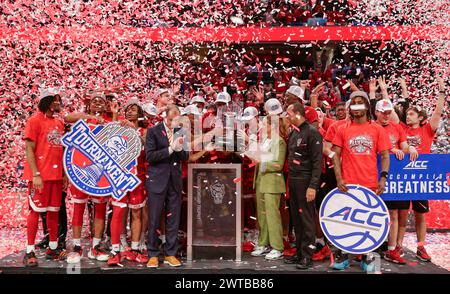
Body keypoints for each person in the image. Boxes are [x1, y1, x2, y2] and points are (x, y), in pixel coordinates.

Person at [331, 90, 391, 272]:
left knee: (368, 224)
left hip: (370, 184)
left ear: (366, 106)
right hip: (347, 185)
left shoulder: (377, 129)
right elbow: (335, 155)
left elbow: (385, 155)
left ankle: (367, 257)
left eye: (360, 102)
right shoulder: (343, 129)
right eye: (353, 102)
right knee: (345, 222)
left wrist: (383, 177)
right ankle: (343, 255)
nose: (356, 106)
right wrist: (339, 177)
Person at [396, 77, 446, 262]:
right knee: (400, 213)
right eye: (407, 114)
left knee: (420, 214)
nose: (407, 116)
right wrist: (404, 92)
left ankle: (420, 247)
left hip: (420, 178)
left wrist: (441, 94)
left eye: (411, 114)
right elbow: (396, 116)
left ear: (421, 118)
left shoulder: (427, 130)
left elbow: (438, 113)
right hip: (402, 176)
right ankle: (398, 246)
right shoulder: (401, 129)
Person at [64, 91, 118, 262]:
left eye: (100, 101)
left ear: (105, 104)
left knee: (100, 209)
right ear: (89, 104)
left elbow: (117, 136)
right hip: (80, 170)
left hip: (101, 173)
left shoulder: (109, 120)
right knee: (78, 208)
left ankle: (95, 246)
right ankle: (77, 246)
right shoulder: (82, 118)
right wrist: (89, 115)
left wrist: (114, 114)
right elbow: (67, 118)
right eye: (94, 101)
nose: (97, 103)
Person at [23, 88, 67, 266]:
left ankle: (53, 248)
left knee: (54, 212)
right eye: (55, 100)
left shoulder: (59, 123)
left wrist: (64, 174)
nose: (58, 103)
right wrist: (36, 174)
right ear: (47, 102)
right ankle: (29, 251)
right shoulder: (34, 121)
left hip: (56, 176)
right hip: (40, 176)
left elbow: (62, 150)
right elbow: (29, 149)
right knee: (35, 211)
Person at [374, 99, 418, 265]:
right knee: (375, 213)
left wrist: (411, 148)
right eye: (383, 112)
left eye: (388, 112)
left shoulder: (397, 127)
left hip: (393, 177)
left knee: (393, 213)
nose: (386, 115)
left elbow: (404, 145)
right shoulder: (371, 126)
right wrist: (390, 148)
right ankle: (370, 248)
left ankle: (391, 249)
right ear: (376, 112)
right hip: (373, 175)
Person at [145, 105, 189, 268]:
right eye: (171, 119)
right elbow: (150, 156)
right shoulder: (153, 131)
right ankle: (153, 254)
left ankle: (171, 253)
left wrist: (180, 147)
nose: (173, 123)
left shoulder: (181, 131)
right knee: (155, 217)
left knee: (173, 218)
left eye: (176, 120)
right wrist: (170, 149)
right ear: (164, 117)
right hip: (157, 180)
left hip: (175, 181)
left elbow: (185, 156)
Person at [108, 99, 149, 266]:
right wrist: (114, 115)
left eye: (134, 109)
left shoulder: (145, 131)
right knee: (117, 213)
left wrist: (133, 130)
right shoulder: (119, 126)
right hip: (119, 176)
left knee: (137, 213)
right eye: (128, 109)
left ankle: (135, 249)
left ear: (140, 114)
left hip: (137, 177)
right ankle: (116, 250)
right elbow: (109, 141)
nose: (130, 112)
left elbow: (145, 144)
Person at [284, 102, 323, 270]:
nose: (287, 116)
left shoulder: (313, 133)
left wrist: (313, 186)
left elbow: (317, 163)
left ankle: (307, 255)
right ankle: (299, 252)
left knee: (307, 219)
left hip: (306, 181)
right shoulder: (294, 133)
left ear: (298, 114)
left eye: (289, 113)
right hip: (293, 180)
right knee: (297, 218)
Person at [250, 99, 287, 260]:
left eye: (264, 125)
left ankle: (277, 247)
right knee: (262, 215)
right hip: (260, 181)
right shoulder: (265, 140)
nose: (262, 127)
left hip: (272, 183)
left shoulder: (279, 141)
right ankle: (264, 244)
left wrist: (260, 160)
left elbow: (278, 164)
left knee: (272, 215)